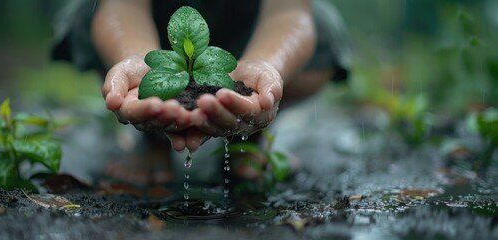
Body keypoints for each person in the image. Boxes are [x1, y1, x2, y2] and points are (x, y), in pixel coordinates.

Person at [52, 0, 350, 185]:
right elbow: (122, 7)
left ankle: (248, 139)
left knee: (320, 28)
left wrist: (266, 65)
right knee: (90, 13)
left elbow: (288, 13)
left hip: (250, 29)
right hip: (151, 28)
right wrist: (134, 58)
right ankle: (152, 139)